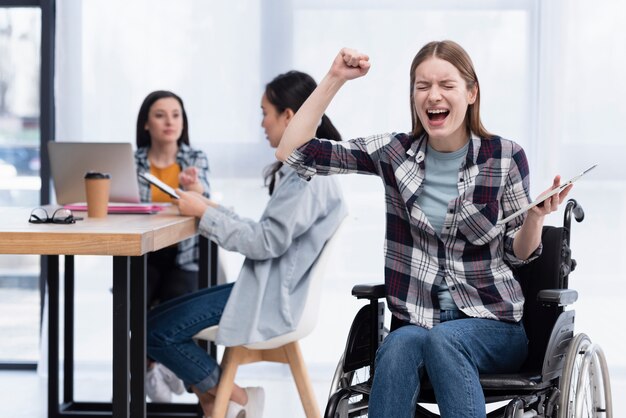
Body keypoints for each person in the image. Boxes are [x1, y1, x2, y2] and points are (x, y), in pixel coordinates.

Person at [276, 41, 572, 418]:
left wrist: (535, 218)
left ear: (471, 92)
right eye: (422, 86)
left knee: (446, 340)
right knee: (398, 346)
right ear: (413, 95)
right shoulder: (394, 154)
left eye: (447, 85)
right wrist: (335, 78)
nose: (434, 95)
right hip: (417, 322)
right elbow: (293, 150)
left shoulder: (504, 156)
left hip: (493, 326)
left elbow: (520, 253)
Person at [146, 71, 347, 418]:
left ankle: (235, 397)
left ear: (288, 116)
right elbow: (266, 232)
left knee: (154, 330)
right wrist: (209, 208)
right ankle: (217, 399)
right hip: (268, 290)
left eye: (265, 113)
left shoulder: (306, 176)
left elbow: (263, 241)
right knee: (154, 323)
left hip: (268, 298)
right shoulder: (310, 168)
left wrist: (206, 216)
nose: (262, 123)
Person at [135, 90, 211, 402]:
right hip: (142, 254)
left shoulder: (194, 159)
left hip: (184, 255)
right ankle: (151, 366)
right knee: (129, 303)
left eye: (176, 115)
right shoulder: (133, 161)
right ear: (146, 124)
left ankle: (160, 365)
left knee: (175, 305)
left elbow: (204, 195)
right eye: (160, 114)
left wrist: (194, 187)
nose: (169, 121)